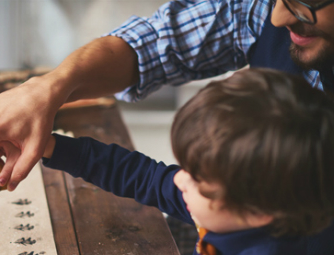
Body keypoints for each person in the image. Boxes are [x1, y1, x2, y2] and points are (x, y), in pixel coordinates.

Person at [0, 0, 333, 190]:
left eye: (305, 3)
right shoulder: (218, 196)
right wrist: (46, 100)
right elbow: (145, 177)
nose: (277, 18)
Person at [41, 68, 334, 255]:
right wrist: (51, 146)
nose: (180, 178)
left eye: (197, 177)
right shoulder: (232, 208)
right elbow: (144, 177)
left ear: (259, 210)